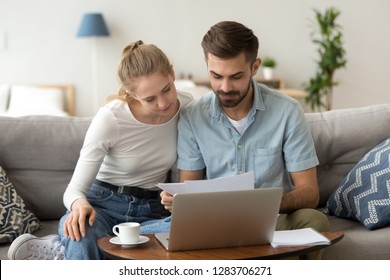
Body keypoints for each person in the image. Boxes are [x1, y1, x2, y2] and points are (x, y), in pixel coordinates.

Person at [8, 40, 193, 260]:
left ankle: (68, 251)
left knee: (193, 228)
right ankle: (93, 245)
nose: (163, 103)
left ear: (172, 74)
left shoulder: (188, 106)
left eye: (166, 89)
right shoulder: (111, 118)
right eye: (150, 99)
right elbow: (74, 190)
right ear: (132, 94)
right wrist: (79, 205)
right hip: (103, 205)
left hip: (153, 212)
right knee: (82, 233)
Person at [161, 21, 329, 258]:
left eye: (236, 76)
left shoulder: (287, 111)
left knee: (314, 220)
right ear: (206, 65)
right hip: (214, 225)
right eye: (216, 76)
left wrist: (261, 205)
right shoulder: (192, 117)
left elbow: (310, 192)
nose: (225, 87)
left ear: (255, 67)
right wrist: (179, 201)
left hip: (273, 222)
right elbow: (189, 188)